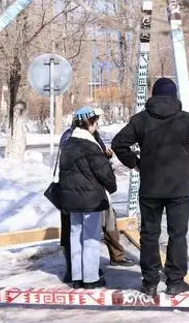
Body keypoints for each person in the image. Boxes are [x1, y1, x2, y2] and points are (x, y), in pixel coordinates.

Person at [111, 77, 189, 297]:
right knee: (177, 235)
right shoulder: (185, 119)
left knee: (149, 234)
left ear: (154, 95)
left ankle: (149, 282)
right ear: (174, 95)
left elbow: (118, 144)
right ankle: (175, 282)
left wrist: (135, 164)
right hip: (178, 188)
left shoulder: (141, 120)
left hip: (150, 187)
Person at [58, 110, 136, 285]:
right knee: (91, 238)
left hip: (71, 200)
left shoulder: (68, 143)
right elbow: (105, 173)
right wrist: (112, 187)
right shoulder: (90, 145)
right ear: (90, 123)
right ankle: (91, 278)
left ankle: (77, 277)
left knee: (75, 237)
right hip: (90, 200)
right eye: (96, 122)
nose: (97, 126)